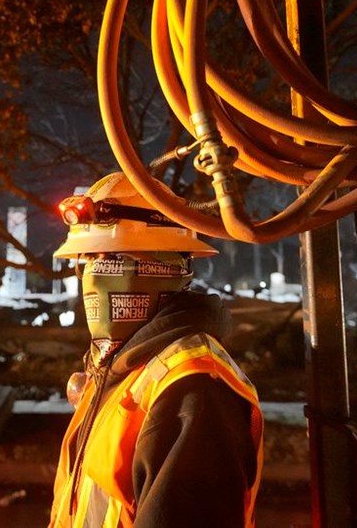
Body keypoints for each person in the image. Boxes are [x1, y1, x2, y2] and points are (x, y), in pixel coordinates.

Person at [48, 172, 264, 527]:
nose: (95, 276)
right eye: (88, 261)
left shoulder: (192, 390)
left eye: (113, 259)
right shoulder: (122, 370)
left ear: (167, 266)